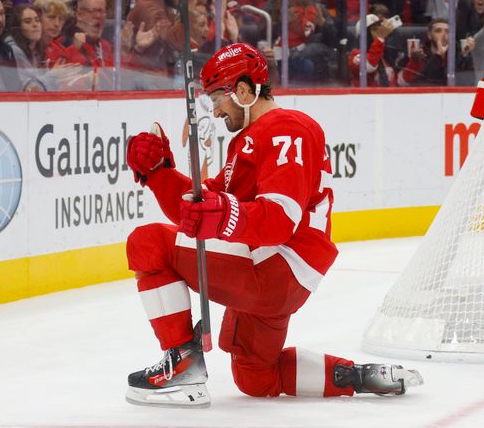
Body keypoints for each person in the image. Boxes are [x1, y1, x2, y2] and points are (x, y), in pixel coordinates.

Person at [123, 42, 424, 406]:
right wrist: (159, 174)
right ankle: (360, 376)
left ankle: (183, 365)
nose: (215, 111)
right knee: (255, 376)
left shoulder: (287, 128)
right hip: (276, 274)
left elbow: (279, 219)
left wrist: (223, 213)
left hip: (273, 264)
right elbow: (197, 212)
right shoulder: (250, 140)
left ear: (245, 91)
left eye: (218, 98)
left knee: (147, 242)